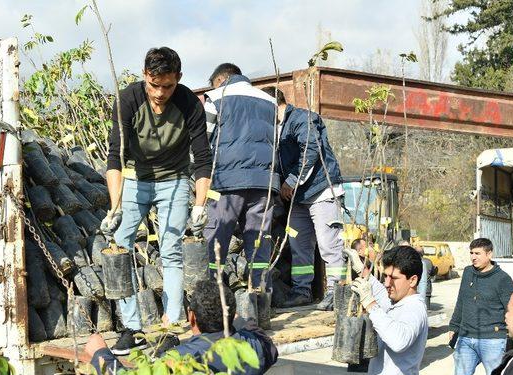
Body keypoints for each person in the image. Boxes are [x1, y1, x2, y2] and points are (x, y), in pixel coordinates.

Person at [100, 47, 212, 355]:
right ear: (144, 76)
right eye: (153, 85)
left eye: (167, 86)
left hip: (175, 179)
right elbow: (115, 155)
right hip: (135, 177)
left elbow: (202, 158)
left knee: (172, 249)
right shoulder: (128, 100)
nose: (160, 93)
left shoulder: (190, 104)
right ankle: (131, 327)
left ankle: (170, 327)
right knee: (121, 249)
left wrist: (200, 203)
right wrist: (115, 206)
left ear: (178, 79)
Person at [84, 280, 278, 375]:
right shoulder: (254, 347)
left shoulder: (180, 359)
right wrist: (234, 318)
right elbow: (263, 339)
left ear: (191, 317)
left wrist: (100, 353)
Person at [261, 86, 345, 310]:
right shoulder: (276, 128)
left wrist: (290, 181)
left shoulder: (302, 119)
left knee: (329, 244)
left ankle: (337, 291)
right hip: (300, 198)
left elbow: (309, 151)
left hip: (321, 191)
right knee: (299, 245)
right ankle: (301, 291)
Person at [202, 64, 278, 292]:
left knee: (217, 237)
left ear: (221, 79)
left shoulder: (216, 97)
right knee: (259, 241)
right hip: (264, 183)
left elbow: (202, 142)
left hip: (227, 181)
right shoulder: (270, 101)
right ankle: (261, 300)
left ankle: (214, 300)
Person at [350, 245, 428, 375]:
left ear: (413, 280)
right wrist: (362, 269)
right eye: (385, 276)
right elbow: (379, 292)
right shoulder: (397, 301)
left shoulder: (414, 309)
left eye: (393, 278)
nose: (387, 282)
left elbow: (398, 341)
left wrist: (370, 304)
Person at [447, 238, 513, 375]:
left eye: (477, 253)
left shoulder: (503, 279)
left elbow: (511, 310)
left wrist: (511, 337)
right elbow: (461, 301)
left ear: (489, 254)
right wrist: (453, 327)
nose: (473, 257)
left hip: (492, 340)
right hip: (466, 338)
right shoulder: (468, 273)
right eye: (471, 253)